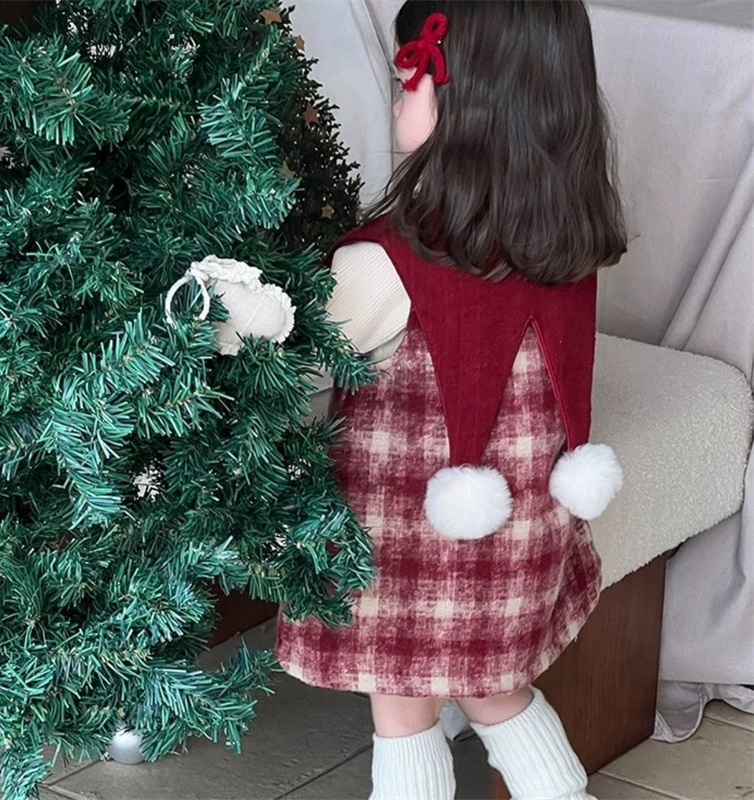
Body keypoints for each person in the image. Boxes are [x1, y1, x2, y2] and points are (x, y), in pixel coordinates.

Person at [276, 2, 628, 798]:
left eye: (407, 84)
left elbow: (294, 350)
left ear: (450, 104)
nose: (399, 101)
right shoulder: (567, 242)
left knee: (402, 710)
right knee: (500, 692)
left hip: (405, 554)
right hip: (516, 554)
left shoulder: (383, 267)